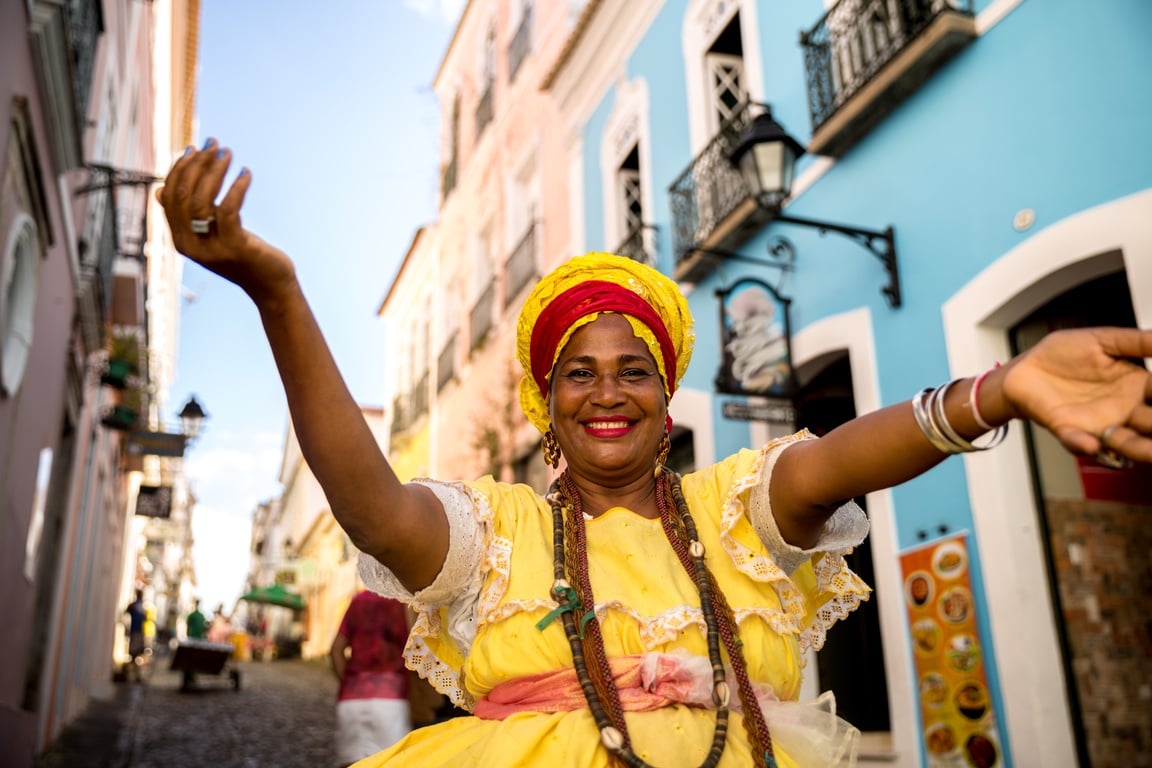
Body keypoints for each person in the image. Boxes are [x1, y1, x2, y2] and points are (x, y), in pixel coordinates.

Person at [157, 141, 1152, 767]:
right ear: (547, 406)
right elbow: (372, 506)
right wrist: (276, 295)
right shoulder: (497, 537)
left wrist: (999, 390)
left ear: (664, 398)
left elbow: (843, 459)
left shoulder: (735, 511)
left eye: (631, 369)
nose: (605, 390)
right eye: (576, 373)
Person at [330, 590, 412, 767]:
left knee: (351, 764)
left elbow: (336, 650)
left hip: (351, 701)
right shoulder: (404, 602)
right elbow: (418, 648)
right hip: (391, 700)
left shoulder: (358, 601)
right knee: (393, 762)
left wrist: (349, 682)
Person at [124, 589, 147, 680]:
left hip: (135, 631)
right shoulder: (141, 606)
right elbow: (144, 619)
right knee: (136, 653)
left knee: (134, 653)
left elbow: (127, 611)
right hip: (139, 632)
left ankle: (134, 674)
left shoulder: (135, 605)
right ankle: (135, 675)